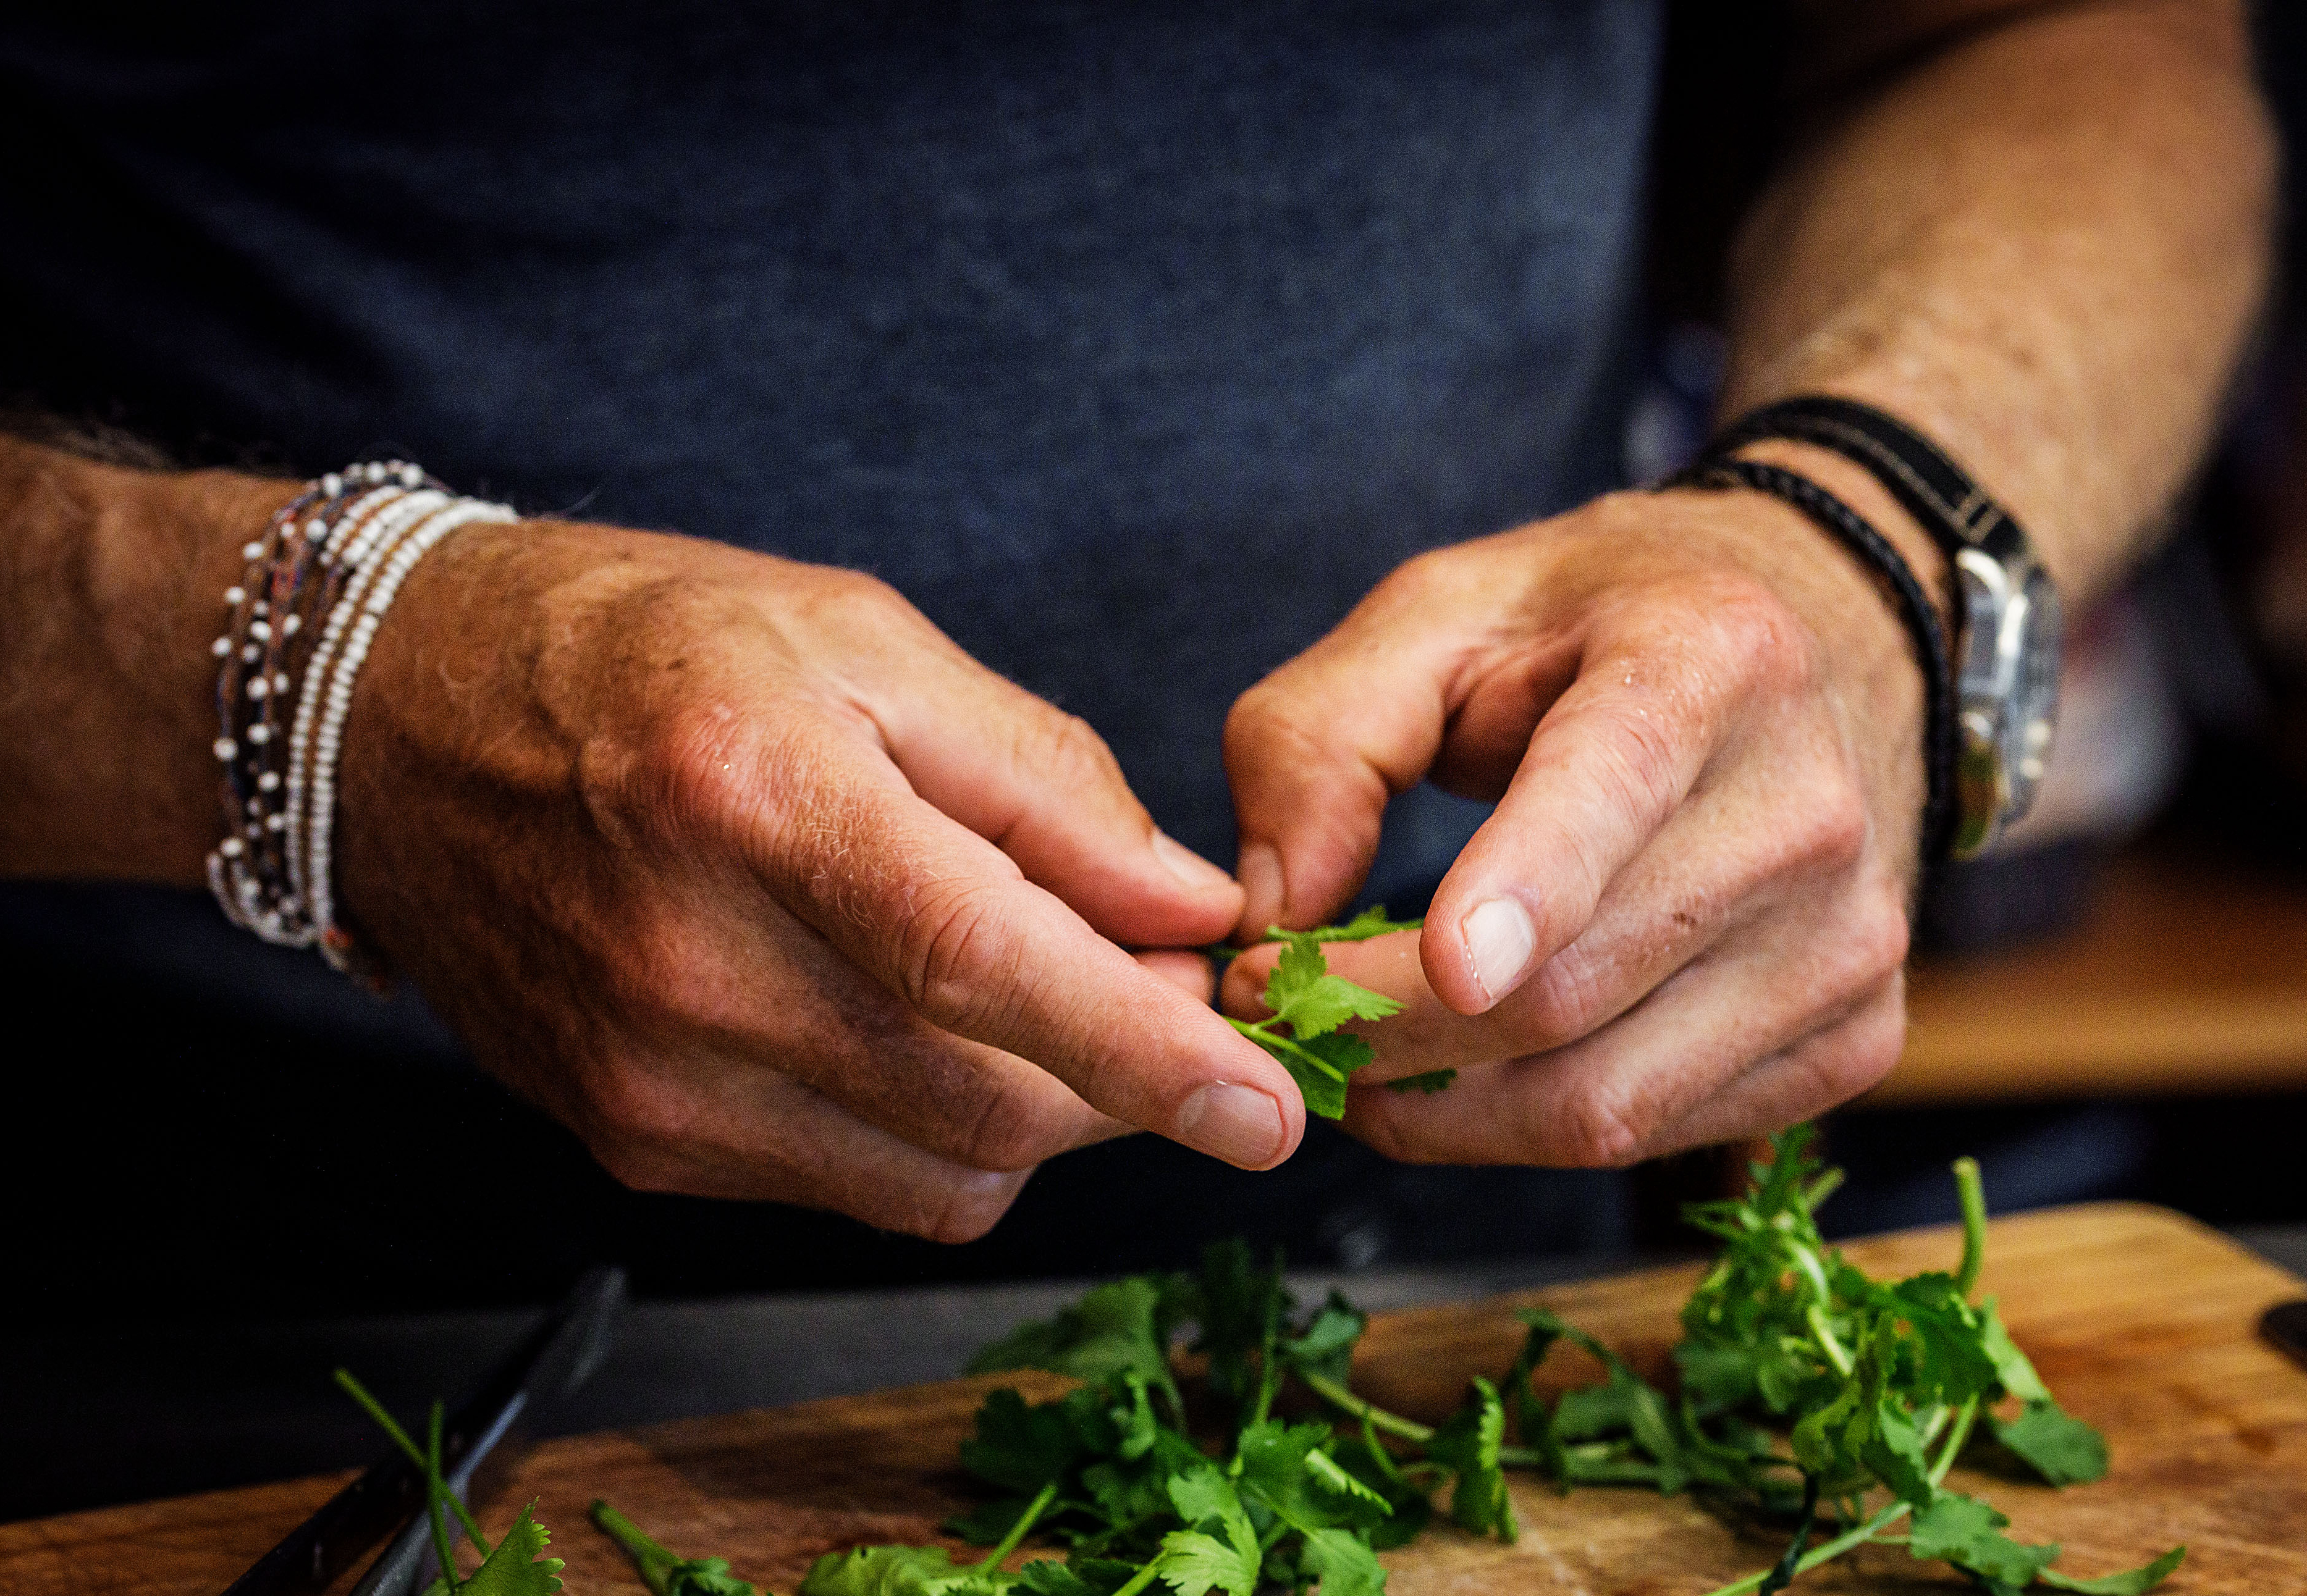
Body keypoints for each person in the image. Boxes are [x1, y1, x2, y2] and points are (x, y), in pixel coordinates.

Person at [0, 1, 2272, 1254]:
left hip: (1433, 1240)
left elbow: (2058, 39)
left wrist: (1857, 550)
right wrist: (309, 690)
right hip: (225, 1290)